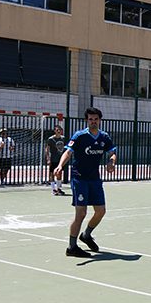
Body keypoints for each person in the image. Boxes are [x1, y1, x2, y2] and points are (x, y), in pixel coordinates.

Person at [54, 107, 117, 258]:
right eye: (90, 119)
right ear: (87, 120)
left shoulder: (104, 137)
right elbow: (68, 152)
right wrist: (60, 165)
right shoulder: (80, 136)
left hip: (95, 179)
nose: (93, 122)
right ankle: (72, 247)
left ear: (99, 120)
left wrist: (111, 161)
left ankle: (86, 235)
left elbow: (112, 152)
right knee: (81, 213)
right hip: (80, 179)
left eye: (96, 119)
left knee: (101, 211)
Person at [45, 125, 67, 195]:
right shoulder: (51, 139)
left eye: (60, 130)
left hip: (60, 159)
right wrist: (48, 159)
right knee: (52, 174)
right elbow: (47, 149)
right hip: (53, 159)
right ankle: (53, 189)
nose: (59, 131)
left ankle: (59, 189)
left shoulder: (63, 138)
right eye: (57, 130)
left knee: (59, 173)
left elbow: (66, 148)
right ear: (55, 131)